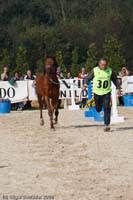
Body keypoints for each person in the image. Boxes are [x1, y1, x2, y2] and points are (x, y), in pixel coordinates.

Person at [83, 58, 121, 132]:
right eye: (102, 64)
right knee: (98, 108)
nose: (104, 66)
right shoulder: (95, 70)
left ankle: (107, 125)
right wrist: (85, 84)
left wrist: (118, 88)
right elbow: (87, 78)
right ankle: (98, 107)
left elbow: (115, 79)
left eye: (105, 65)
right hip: (97, 93)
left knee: (107, 107)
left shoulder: (110, 70)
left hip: (106, 92)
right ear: (99, 64)